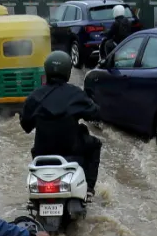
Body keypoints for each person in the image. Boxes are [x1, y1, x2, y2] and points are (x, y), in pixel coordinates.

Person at [20, 51, 103, 193]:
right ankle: (88, 188)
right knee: (95, 145)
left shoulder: (35, 96)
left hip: (41, 155)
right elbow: (95, 113)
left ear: (47, 71)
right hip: (72, 152)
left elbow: (26, 125)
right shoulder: (76, 94)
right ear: (68, 71)